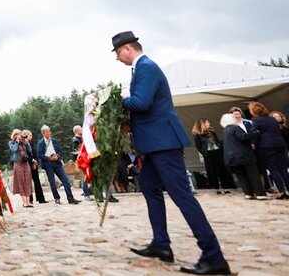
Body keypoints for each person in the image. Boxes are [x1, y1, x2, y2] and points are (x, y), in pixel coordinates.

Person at [112, 31, 229, 275]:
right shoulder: (140, 69)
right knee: (150, 187)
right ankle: (161, 244)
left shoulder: (146, 67)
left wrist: (116, 102)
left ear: (126, 49)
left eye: (117, 53)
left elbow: (141, 102)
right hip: (153, 143)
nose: (117, 59)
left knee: (181, 195)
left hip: (162, 142)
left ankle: (213, 256)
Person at [221, 109, 267, 200]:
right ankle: (260, 194)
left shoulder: (226, 130)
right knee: (253, 174)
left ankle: (248, 193)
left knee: (242, 177)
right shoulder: (235, 128)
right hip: (243, 156)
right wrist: (255, 133)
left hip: (231, 157)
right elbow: (242, 137)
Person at [249, 102, 289, 200]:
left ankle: (282, 192)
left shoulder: (256, 120)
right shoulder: (272, 119)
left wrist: (253, 141)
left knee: (273, 168)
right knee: (283, 168)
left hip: (267, 145)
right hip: (280, 144)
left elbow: (253, 132)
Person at [36, 125, 80, 204]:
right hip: (48, 164)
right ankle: (56, 198)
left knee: (66, 180)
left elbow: (60, 151)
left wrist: (57, 156)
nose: (49, 133)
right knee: (52, 182)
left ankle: (70, 198)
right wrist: (49, 158)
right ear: (43, 133)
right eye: (47, 132)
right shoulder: (40, 143)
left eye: (49, 131)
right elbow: (39, 155)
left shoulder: (55, 141)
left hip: (57, 163)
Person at [192, 118, 234, 194]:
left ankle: (226, 188)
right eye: (207, 122)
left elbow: (217, 141)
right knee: (212, 172)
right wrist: (204, 153)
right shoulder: (197, 134)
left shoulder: (212, 131)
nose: (209, 123)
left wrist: (220, 147)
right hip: (208, 154)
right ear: (203, 124)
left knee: (222, 170)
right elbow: (198, 146)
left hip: (217, 152)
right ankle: (216, 188)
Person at [8, 129, 34, 207]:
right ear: (15, 135)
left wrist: (26, 141)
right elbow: (14, 149)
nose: (20, 136)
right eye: (19, 134)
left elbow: (30, 150)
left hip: (26, 164)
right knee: (21, 182)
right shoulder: (11, 143)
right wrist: (17, 141)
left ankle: (28, 201)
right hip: (18, 164)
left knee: (27, 181)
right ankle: (24, 202)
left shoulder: (24, 142)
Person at [23, 130, 48, 204]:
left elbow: (35, 153)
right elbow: (25, 155)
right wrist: (32, 160)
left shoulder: (30, 144)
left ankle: (41, 199)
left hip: (34, 164)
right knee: (28, 182)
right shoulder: (23, 145)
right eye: (30, 135)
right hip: (27, 164)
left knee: (37, 181)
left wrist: (36, 161)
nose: (31, 137)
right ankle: (30, 199)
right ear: (26, 135)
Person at [72, 125, 92, 200]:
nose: (82, 130)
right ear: (77, 131)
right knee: (85, 176)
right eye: (81, 129)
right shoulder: (75, 140)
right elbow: (76, 152)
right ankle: (86, 194)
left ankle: (87, 192)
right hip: (81, 160)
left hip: (85, 159)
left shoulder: (81, 139)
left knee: (86, 176)